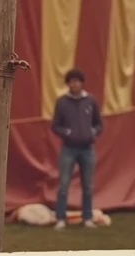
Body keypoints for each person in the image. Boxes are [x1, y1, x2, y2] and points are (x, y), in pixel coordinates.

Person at [51, 67, 103, 231]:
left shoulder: (91, 101)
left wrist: (92, 132)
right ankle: (60, 218)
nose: (75, 84)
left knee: (87, 185)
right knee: (64, 184)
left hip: (87, 149)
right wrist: (67, 132)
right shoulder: (62, 102)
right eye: (71, 82)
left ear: (82, 83)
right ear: (68, 84)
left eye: (77, 81)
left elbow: (99, 123)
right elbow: (55, 125)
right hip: (68, 148)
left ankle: (87, 218)